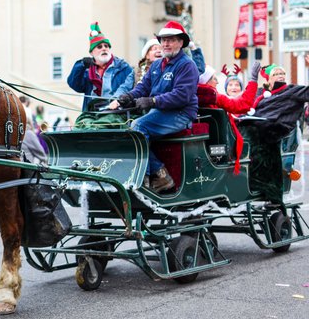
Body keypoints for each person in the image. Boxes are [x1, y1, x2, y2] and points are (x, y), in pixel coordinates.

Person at [109, 21, 199, 192]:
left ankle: (149, 177)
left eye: (171, 40)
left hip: (181, 114)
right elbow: (143, 87)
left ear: (181, 43)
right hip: (161, 112)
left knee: (138, 127)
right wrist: (127, 97)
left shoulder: (187, 65)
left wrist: (153, 101)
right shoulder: (157, 65)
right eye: (163, 40)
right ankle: (160, 174)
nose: (165, 44)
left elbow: (181, 96)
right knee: (128, 128)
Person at [240, 64, 309, 205]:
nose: (281, 76)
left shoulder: (292, 90)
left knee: (254, 137)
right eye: (276, 74)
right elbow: (244, 102)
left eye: (282, 73)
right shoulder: (260, 93)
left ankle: (265, 186)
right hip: (252, 126)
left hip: (272, 132)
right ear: (268, 80)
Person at [197, 61, 261, 174]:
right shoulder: (214, 96)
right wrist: (253, 80)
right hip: (223, 144)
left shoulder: (189, 95)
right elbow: (242, 105)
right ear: (206, 81)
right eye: (214, 78)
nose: (217, 82)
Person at [67, 22, 133, 111]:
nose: (104, 48)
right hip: (92, 114)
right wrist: (80, 65)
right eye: (99, 47)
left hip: (116, 112)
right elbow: (75, 85)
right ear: (91, 53)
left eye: (106, 46)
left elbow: (131, 89)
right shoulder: (87, 71)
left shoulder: (123, 67)